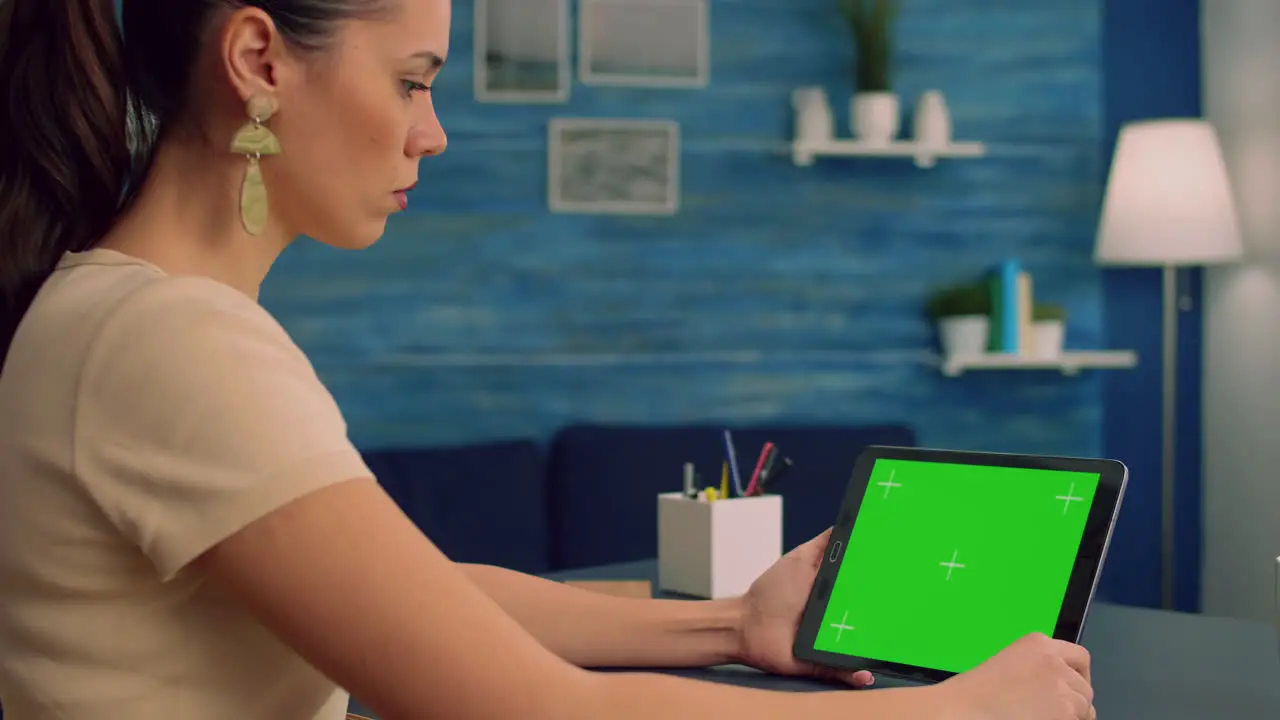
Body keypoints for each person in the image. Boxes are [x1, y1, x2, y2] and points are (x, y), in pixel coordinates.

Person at [0, 1, 1097, 719]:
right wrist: (951, 709)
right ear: (258, 61)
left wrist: (729, 622)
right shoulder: (172, 344)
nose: (432, 133)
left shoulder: (129, 315)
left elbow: (412, 598)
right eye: (412, 80)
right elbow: (520, 705)